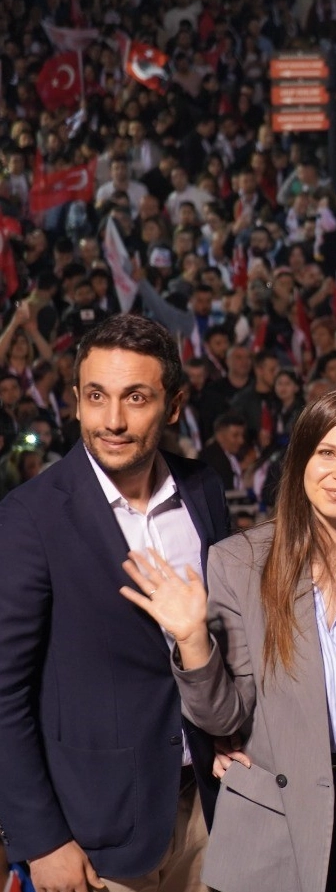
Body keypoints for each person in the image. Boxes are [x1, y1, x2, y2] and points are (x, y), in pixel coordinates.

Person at [117, 387, 336, 892]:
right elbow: (226, 717)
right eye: (328, 454)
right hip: (268, 829)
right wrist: (191, 641)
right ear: (300, 458)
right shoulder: (239, 562)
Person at [0, 315, 230, 892]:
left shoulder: (205, 490)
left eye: (136, 398)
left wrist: (234, 734)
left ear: (173, 405)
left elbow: (223, 633)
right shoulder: (32, 516)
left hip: (210, 811)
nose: (114, 421)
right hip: (94, 831)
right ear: (76, 401)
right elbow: (3, 692)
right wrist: (41, 839)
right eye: (97, 397)